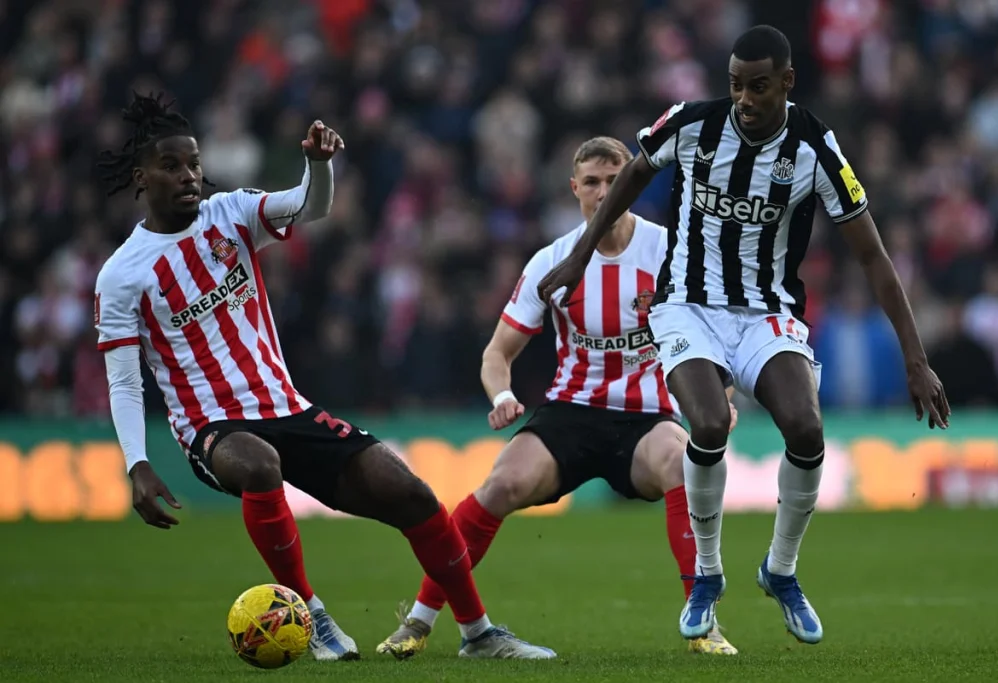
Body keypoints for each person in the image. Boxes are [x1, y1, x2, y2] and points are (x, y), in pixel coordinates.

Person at [93, 93, 555, 662]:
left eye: (193, 163)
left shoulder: (230, 212)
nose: (189, 176)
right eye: (171, 166)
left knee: (411, 494)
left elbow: (309, 207)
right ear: (142, 177)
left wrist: (317, 164)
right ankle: (310, 614)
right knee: (261, 466)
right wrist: (137, 463)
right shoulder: (122, 275)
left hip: (287, 407)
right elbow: (123, 380)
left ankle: (479, 633)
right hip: (212, 427)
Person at [537, 26, 950, 646]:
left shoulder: (815, 148)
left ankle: (780, 571)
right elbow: (632, 175)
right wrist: (580, 254)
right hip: (685, 304)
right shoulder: (692, 125)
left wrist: (916, 361)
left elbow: (874, 258)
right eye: (735, 85)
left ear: (787, 82)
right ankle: (707, 575)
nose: (744, 99)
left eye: (758, 87)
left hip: (766, 311)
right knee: (706, 425)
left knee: (807, 429)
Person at [376, 137, 739, 659]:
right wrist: (501, 393)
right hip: (571, 414)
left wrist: (722, 393)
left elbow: (715, 331)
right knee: (501, 484)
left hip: (646, 419)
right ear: (574, 189)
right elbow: (497, 352)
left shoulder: (668, 252)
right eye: (591, 182)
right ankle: (419, 620)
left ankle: (704, 626)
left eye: (615, 180)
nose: (603, 191)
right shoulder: (553, 261)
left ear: (632, 184)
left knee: (683, 466)